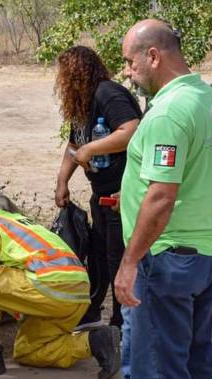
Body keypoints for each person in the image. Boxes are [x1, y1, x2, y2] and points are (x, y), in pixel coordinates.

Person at [114, 19, 212, 378]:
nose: (128, 72)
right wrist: (134, 191)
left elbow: (162, 196)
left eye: (130, 63)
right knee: (193, 364)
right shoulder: (210, 100)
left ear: (152, 56)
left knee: (156, 367)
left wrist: (129, 262)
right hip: (205, 255)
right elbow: (195, 173)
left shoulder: (168, 112)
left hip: (166, 258)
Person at [0, 170, 120, 378]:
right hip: (75, 290)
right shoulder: (11, 218)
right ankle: (96, 342)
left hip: (51, 286)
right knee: (29, 351)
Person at [53, 46, 142, 330]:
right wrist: (62, 181)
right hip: (100, 195)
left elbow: (131, 130)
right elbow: (74, 145)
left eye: (65, 74)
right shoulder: (82, 104)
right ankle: (94, 310)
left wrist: (91, 148)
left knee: (117, 258)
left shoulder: (107, 93)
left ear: (77, 73)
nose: (61, 80)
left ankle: (120, 323)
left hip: (121, 195)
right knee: (99, 256)